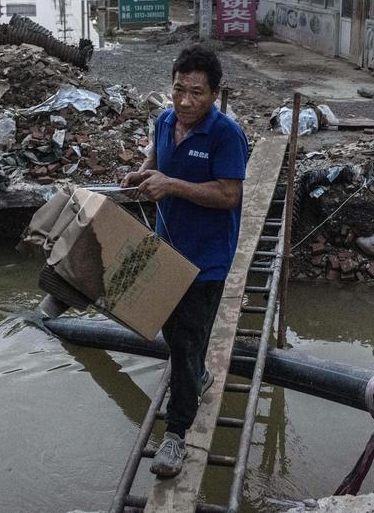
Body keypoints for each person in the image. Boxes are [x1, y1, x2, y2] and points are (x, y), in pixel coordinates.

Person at [121, 45, 249, 477]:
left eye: (196, 92)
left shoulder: (226, 135)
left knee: (187, 341)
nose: (185, 101)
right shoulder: (164, 120)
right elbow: (156, 159)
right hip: (166, 250)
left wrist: (172, 186)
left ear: (214, 94)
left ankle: (176, 436)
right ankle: (197, 375)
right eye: (179, 89)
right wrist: (143, 173)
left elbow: (229, 195)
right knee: (171, 332)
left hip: (207, 260)